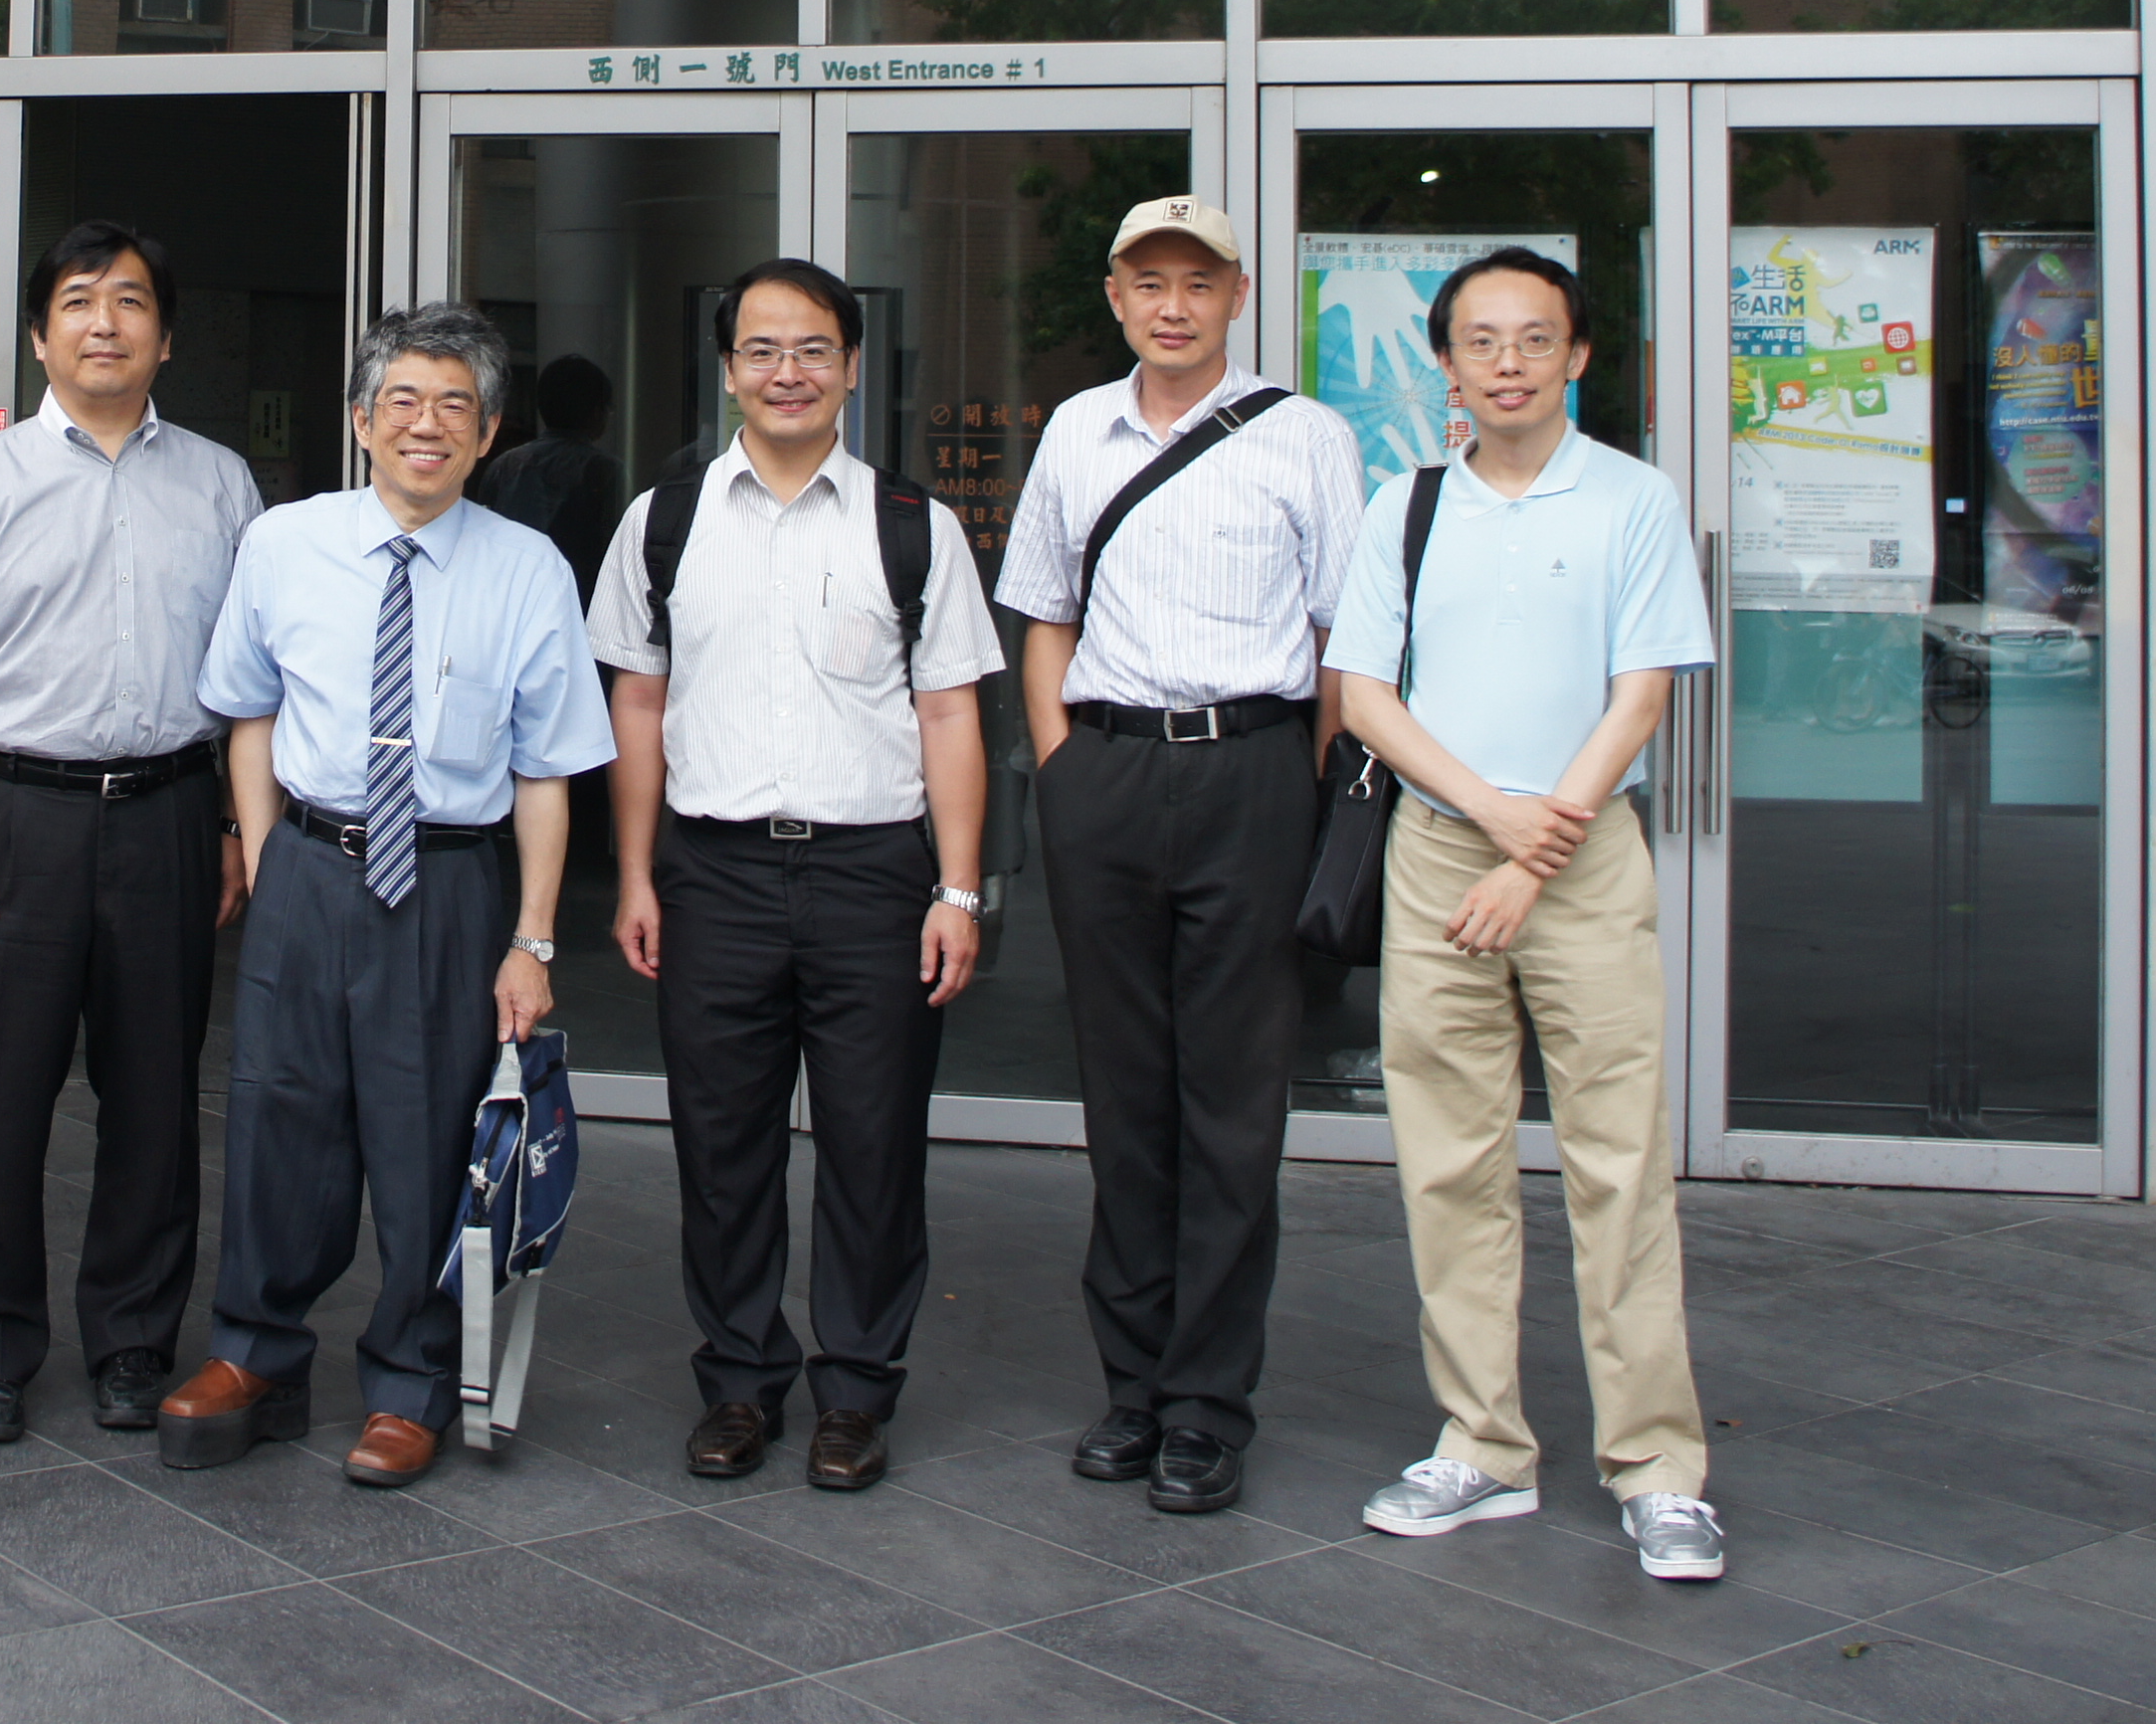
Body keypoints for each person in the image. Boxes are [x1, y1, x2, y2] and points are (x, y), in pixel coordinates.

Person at [158, 302, 613, 1491]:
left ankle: (410, 1382)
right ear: (361, 418)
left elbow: (547, 769)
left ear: (488, 430)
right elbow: (246, 708)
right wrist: (266, 855)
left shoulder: (527, 566)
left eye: (454, 404)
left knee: (426, 1134)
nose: (427, 423)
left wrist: (531, 938)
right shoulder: (285, 543)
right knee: (277, 1116)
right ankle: (254, 1354)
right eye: (402, 400)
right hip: (308, 862)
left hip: (449, 878)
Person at [1325, 248, 1724, 1582]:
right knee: (1448, 1158)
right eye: (1481, 340)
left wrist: (1534, 842)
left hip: (1581, 854)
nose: (1507, 362)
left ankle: (1658, 1468)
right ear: (1445, 362)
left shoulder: (1632, 498)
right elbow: (1365, 694)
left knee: (1619, 1161)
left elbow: (1640, 694)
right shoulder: (1405, 505)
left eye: (1534, 338)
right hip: (1440, 852)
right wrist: (1487, 820)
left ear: (1577, 356)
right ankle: (1482, 1443)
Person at [592, 260, 999, 1495]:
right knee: (721, 1145)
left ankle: (856, 1391)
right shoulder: (663, 519)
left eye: (813, 348)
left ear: (851, 366)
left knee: (874, 1146)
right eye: (762, 349)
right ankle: (737, 1379)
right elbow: (637, 703)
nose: (787, 371)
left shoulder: (910, 524)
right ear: (727, 369)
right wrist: (633, 874)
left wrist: (958, 889)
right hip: (711, 870)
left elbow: (949, 716)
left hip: (873, 873)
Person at [995, 195, 1365, 1516]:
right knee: (1124, 1096)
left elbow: (1340, 637)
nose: (1171, 304)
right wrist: (1062, 769)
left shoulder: (1305, 436)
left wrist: (1307, 790)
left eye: (1196, 282)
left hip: (1253, 770)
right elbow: (1043, 613)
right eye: (1147, 280)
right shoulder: (1074, 433)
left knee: (1232, 1105)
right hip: (1105, 771)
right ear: (1114, 296)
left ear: (1236, 296)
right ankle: (1133, 1387)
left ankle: (1207, 1405)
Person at [0, 221, 266, 1441]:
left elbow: (247, 680)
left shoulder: (219, 481)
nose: (105, 321)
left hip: (167, 812)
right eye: (79, 300)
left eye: (131, 300)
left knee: (154, 1097)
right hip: (13, 818)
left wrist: (229, 821)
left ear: (166, 335)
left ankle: (132, 1342)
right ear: (38, 333)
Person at [469, 354, 623, 599]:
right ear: (597, 411)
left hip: (508, 590)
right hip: (583, 595)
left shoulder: (505, 465)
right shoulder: (604, 470)